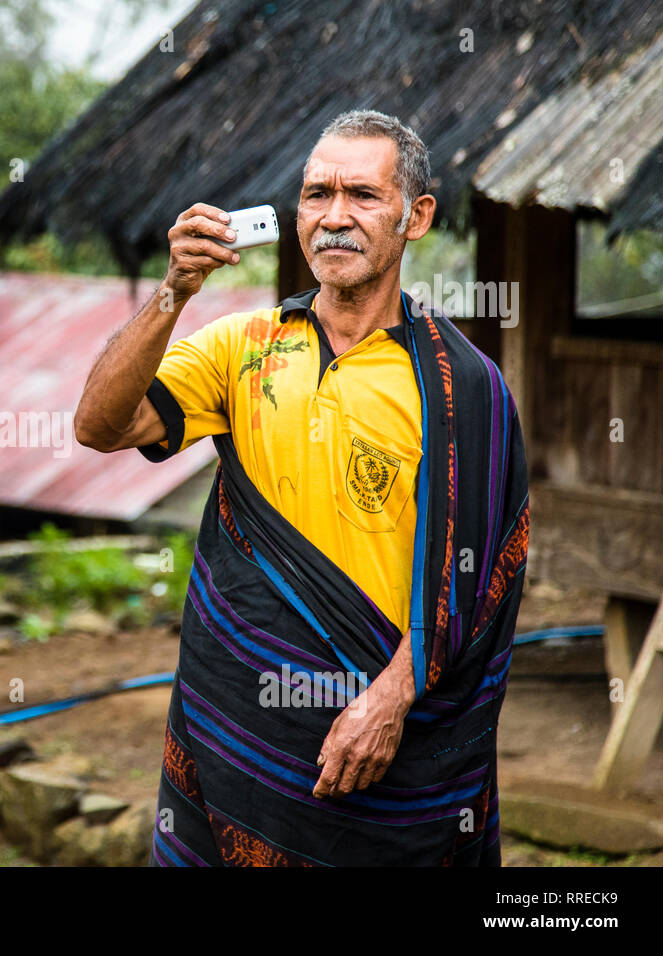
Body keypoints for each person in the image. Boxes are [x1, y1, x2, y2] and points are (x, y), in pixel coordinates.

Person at [74, 109, 528, 866]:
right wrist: (172, 291)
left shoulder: (464, 388)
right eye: (317, 195)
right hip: (241, 730)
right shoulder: (239, 349)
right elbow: (99, 425)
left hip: (391, 743)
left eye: (363, 196)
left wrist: (390, 698)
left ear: (416, 217)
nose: (335, 218)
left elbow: (478, 587)